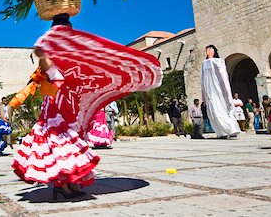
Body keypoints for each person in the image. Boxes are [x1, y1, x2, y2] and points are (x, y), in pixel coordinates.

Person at [10, 14, 162, 199]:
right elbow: (47, 65)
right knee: (61, 143)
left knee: (68, 143)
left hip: (67, 105)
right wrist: (44, 53)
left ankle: (69, 183)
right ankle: (62, 185)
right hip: (57, 107)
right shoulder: (52, 54)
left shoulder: (69, 56)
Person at [200, 45, 240, 138]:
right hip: (210, 90)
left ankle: (231, 129)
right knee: (214, 111)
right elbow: (202, 78)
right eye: (207, 50)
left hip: (219, 89)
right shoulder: (204, 63)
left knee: (222, 109)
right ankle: (221, 132)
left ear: (214, 51)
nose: (209, 51)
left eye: (210, 49)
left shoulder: (219, 61)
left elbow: (223, 75)